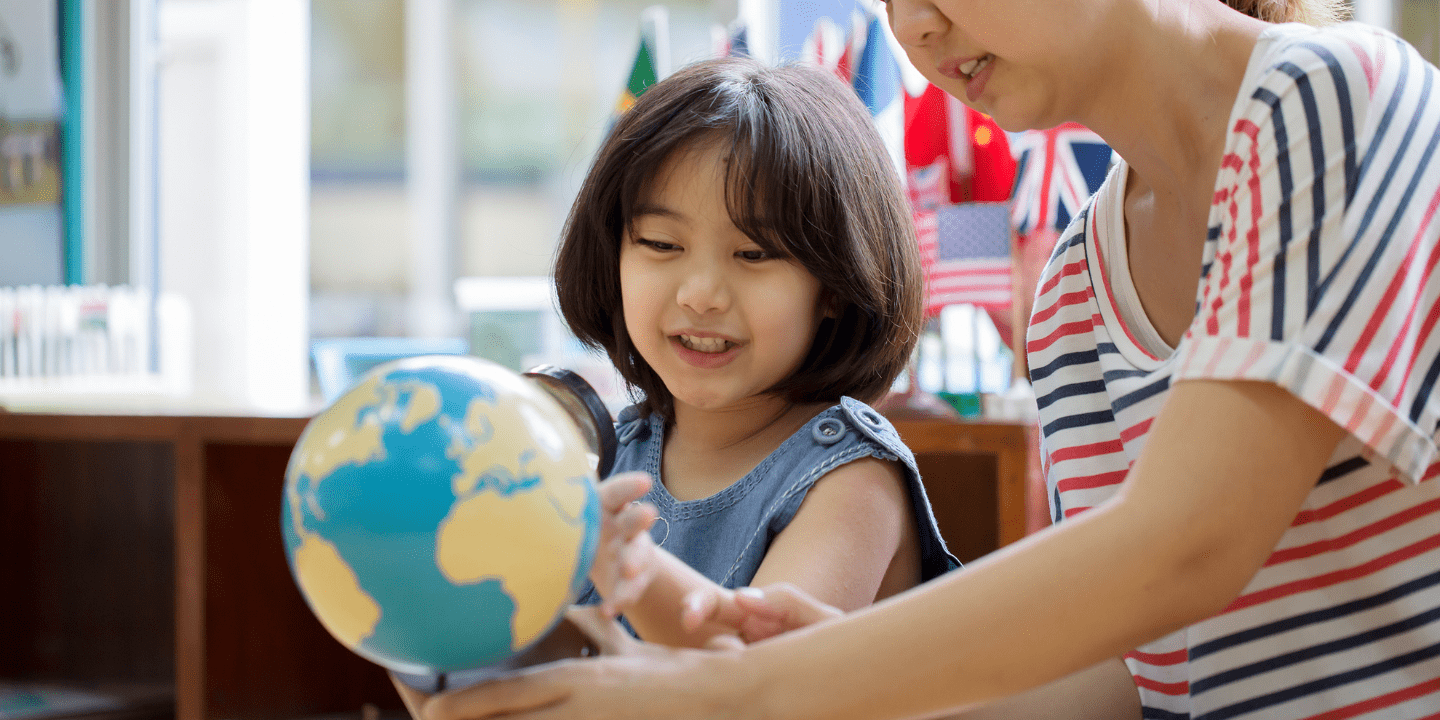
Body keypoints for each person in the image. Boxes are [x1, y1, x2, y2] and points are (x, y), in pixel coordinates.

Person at [399, 0, 1440, 718]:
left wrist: (739, 696)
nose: (917, 26)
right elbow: (1144, 677)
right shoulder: (1077, 282)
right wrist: (833, 683)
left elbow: (1186, 547)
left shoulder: (1329, 94)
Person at [391, 55, 960, 713]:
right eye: (662, 244)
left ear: (833, 287)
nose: (700, 294)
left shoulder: (851, 480)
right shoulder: (606, 455)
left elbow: (756, 692)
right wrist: (421, 611)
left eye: (753, 254)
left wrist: (634, 569)